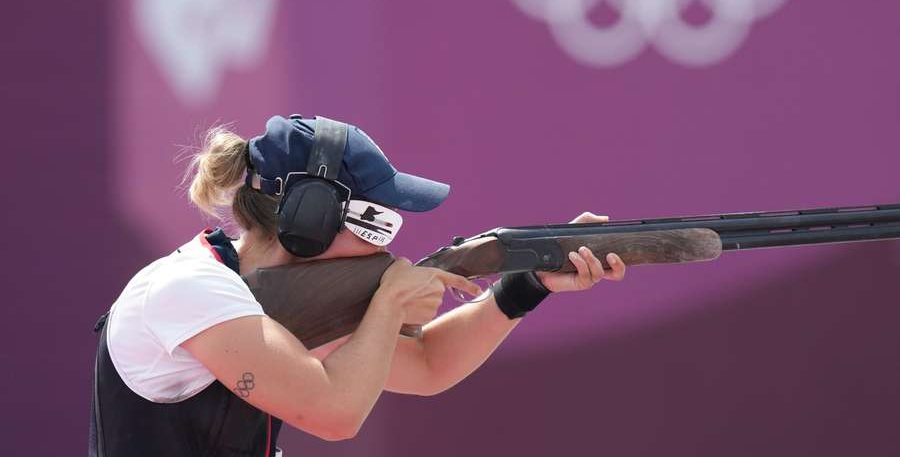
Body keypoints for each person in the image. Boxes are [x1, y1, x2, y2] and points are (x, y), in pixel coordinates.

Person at [88, 115, 626, 456]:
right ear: (311, 217)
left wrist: (527, 285)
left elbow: (431, 364)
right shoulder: (191, 289)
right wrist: (389, 301)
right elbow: (334, 413)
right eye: (377, 222)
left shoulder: (256, 304)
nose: (386, 246)